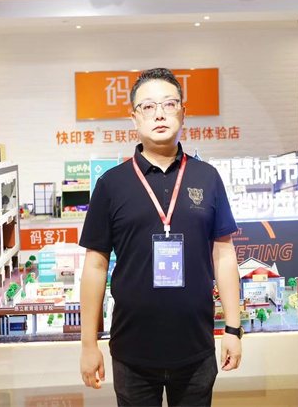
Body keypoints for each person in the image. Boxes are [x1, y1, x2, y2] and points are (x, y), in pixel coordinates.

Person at [79, 68, 242, 406]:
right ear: (134, 117)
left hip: (196, 349)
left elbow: (224, 256)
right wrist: (88, 344)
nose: (160, 114)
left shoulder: (207, 178)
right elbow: (95, 267)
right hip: (131, 352)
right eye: (148, 106)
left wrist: (233, 328)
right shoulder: (111, 184)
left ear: (183, 111)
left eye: (169, 104)